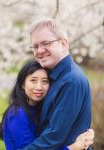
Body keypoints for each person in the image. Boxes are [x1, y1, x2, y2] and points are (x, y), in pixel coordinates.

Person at [19, 17, 93, 150]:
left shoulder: (71, 81)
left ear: (64, 44)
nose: (40, 50)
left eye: (46, 43)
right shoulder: (52, 76)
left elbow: (53, 137)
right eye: (35, 46)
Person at [0, 60, 94, 150]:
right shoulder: (17, 114)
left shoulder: (39, 108)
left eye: (45, 81)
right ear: (23, 84)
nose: (39, 87)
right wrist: (73, 147)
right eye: (33, 80)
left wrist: (87, 134)